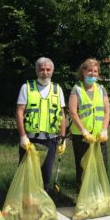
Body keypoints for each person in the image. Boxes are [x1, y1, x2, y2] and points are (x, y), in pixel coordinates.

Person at [16, 57, 66, 192]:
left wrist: (62, 139)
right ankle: (26, 204)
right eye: (42, 69)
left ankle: (43, 205)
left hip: (50, 139)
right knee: (27, 174)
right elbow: (20, 112)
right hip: (30, 139)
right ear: (37, 71)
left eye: (48, 69)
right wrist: (23, 136)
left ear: (52, 71)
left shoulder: (57, 89)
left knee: (46, 174)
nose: (45, 72)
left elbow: (61, 114)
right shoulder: (26, 87)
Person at [68, 58, 110, 189]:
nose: (93, 74)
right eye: (90, 71)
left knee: (101, 168)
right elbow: (73, 112)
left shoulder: (101, 89)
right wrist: (83, 131)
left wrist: (104, 129)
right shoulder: (77, 89)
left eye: (95, 71)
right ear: (83, 71)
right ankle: (84, 197)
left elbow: (107, 111)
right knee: (83, 167)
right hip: (82, 137)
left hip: (99, 136)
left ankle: (100, 196)